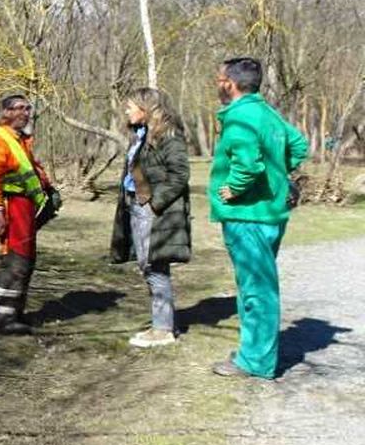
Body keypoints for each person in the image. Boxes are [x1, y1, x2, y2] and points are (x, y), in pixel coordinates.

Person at [209, 57, 309, 379]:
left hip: (248, 216)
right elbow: (298, 144)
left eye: (219, 78)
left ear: (231, 83)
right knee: (255, 286)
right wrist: (280, 176)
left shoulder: (240, 117)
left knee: (256, 289)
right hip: (269, 215)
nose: (217, 83)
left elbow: (249, 165)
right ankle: (253, 350)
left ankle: (255, 361)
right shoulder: (266, 112)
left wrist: (233, 188)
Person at [109, 88, 191, 348]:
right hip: (135, 205)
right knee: (147, 265)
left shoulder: (169, 136)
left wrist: (155, 204)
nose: (126, 110)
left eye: (131, 106)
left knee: (154, 266)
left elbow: (179, 175)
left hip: (153, 209)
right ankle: (161, 322)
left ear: (146, 108)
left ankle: (163, 329)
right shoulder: (140, 135)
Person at [0, 93, 57, 334]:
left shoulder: (21, 139)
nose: (25, 112)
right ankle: (1, 320)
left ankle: (14, 314)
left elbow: (30, 170)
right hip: (12, 208)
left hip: (26, 208)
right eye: (19, 108)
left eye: (28, 108)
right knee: (16, 261)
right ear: (6, 112)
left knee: (26, 260)